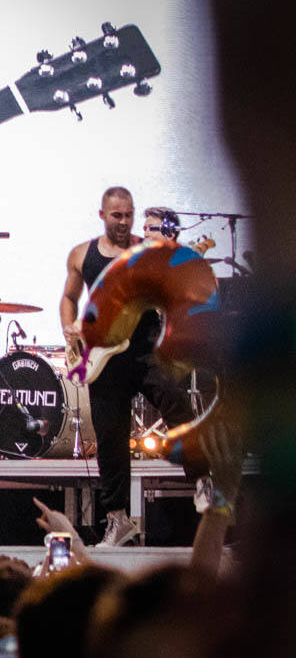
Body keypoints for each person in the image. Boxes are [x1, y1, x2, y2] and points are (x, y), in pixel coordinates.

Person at [60, 187, 201, 546]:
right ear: (103, 214)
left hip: (145, 348)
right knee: (110, 440)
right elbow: (69, 297)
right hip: (105, 357)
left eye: (129, 215)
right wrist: (68, 326)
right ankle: (118, 520)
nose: (124, 222)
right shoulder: (82, 254)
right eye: (117, 216)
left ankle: (204, 478)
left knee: (176, 400)